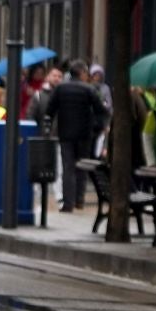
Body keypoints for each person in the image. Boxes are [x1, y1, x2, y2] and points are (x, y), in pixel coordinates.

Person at [44, 61, 104, 211]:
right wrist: (97, 127)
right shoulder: (89, 89)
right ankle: (79, 200)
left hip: (65, 133)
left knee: (67, 168)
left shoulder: (60, 88)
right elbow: (100, 109)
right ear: (82, 73)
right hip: (84, 134)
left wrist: (49, 127)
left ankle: (68, 203)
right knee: (82, 167)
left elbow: (50, 110)